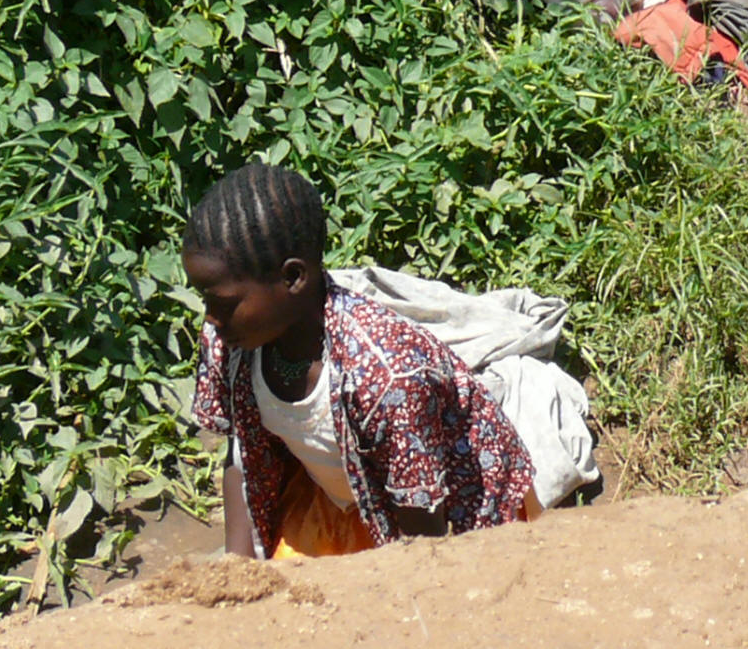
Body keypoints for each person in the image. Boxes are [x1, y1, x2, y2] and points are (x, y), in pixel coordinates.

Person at [182, 163, 538, 560]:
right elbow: (241, 456)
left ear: (293, 278)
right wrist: (237, 571)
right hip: (346, 497)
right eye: (205, 300)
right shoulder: (230, 339)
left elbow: (426, 541)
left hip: (447, 519)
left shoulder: (386, 377)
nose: (210, 317)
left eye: (223, 303)